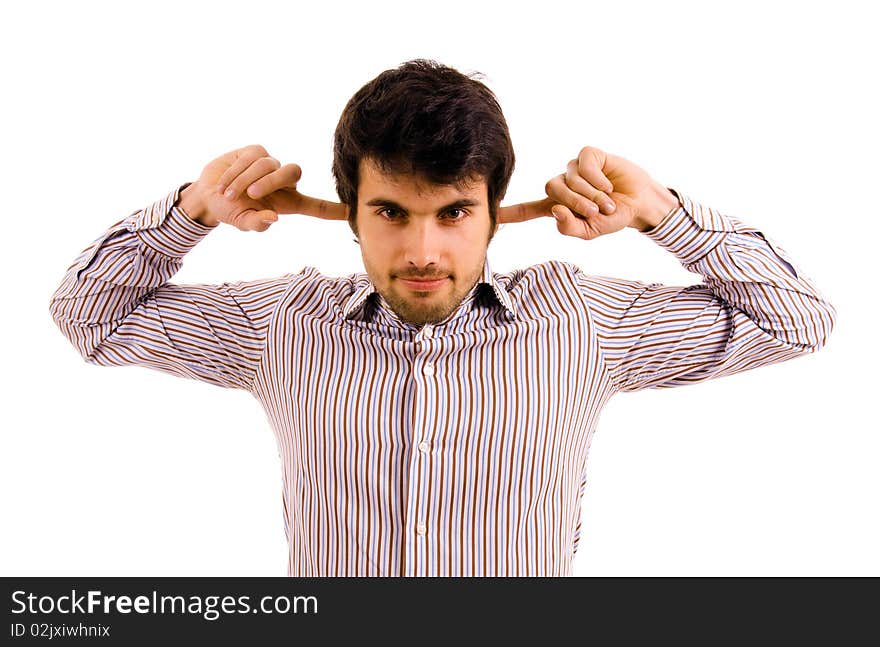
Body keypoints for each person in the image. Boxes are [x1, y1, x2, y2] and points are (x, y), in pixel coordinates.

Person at [49, 58, 836, 576]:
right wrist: (192, 211)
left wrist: (661, 213)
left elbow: (797, 320)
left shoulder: (581, 321)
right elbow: (90, 316)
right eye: (391, 211)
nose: (423, 248)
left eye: (455, 211)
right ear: (346, 211)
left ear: (498, 211)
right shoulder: (281, 321)